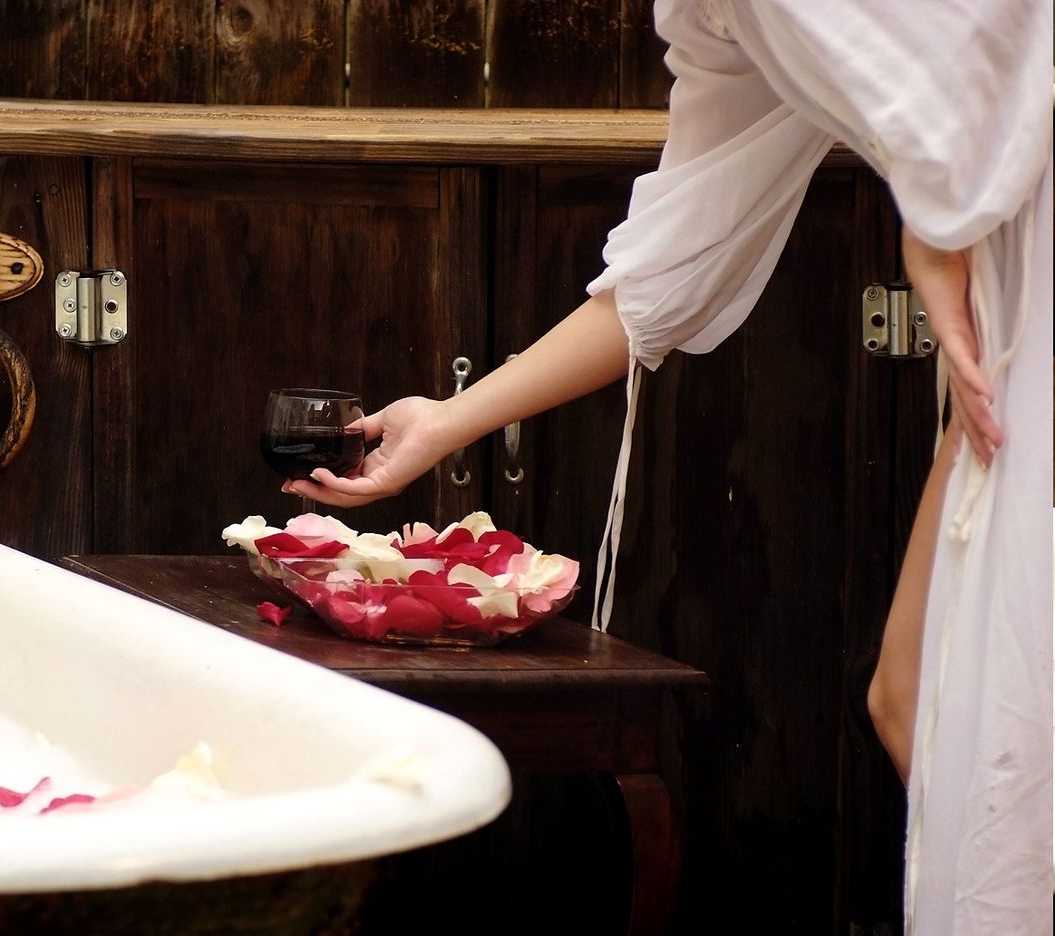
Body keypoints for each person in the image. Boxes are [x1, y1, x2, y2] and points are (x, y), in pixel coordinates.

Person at [287, 2, 1053, 933]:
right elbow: (669, 265)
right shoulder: (715, 19)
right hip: (1000, 311)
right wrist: (447, 424)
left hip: (1018, 270)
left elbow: (989, 74)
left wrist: (932, 233)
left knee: (991, 723)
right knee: (914, 704)